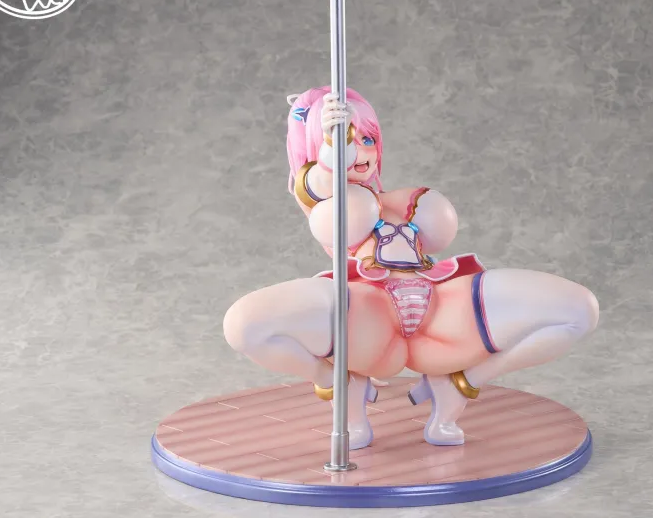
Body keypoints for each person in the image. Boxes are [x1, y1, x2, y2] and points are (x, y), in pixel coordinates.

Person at [223, 86, 599, 449]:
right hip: (367, 313)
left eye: (367, 139)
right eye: (348, 139)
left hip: (441, 304)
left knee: (578, 311)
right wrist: (330, 145)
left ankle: (463, 382)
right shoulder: (326, 197)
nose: (361, 151)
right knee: (245, 325)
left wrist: (472, 374)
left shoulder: (399, 199)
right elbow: (316, 183)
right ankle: (340, 384)